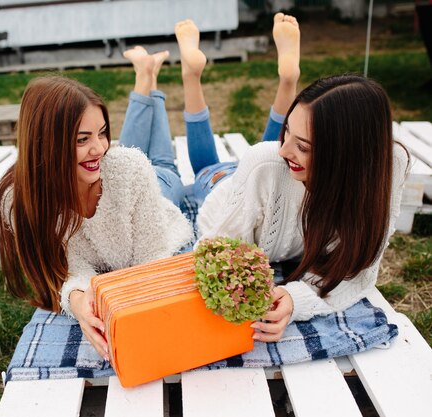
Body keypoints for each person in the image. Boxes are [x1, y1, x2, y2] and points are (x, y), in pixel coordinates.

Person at [164, 16, 409, 343]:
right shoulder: (267, 162)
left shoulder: (387, 166)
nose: (286, 149)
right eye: (288, 132)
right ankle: (193, 78)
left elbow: (361, 269)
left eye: (304, 145)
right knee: (209, 167)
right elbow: (214, 253)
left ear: (349, 158)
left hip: (265, 185)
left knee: (264, 160)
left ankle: (253, 78)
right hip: (224, 193)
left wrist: (297, 299)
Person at [0, 76, 194, 360]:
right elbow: (67, 268)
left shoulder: (129, 168)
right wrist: (78, 299)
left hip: (156, 195)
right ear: (45, 144)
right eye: (82, 139)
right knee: (124, 157)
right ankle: (144, 76)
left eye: (102, 132)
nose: (100, 146)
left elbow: (152, 259)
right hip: (112, 176)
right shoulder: (19, 200)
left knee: (163, 165)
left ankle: (149, 81)